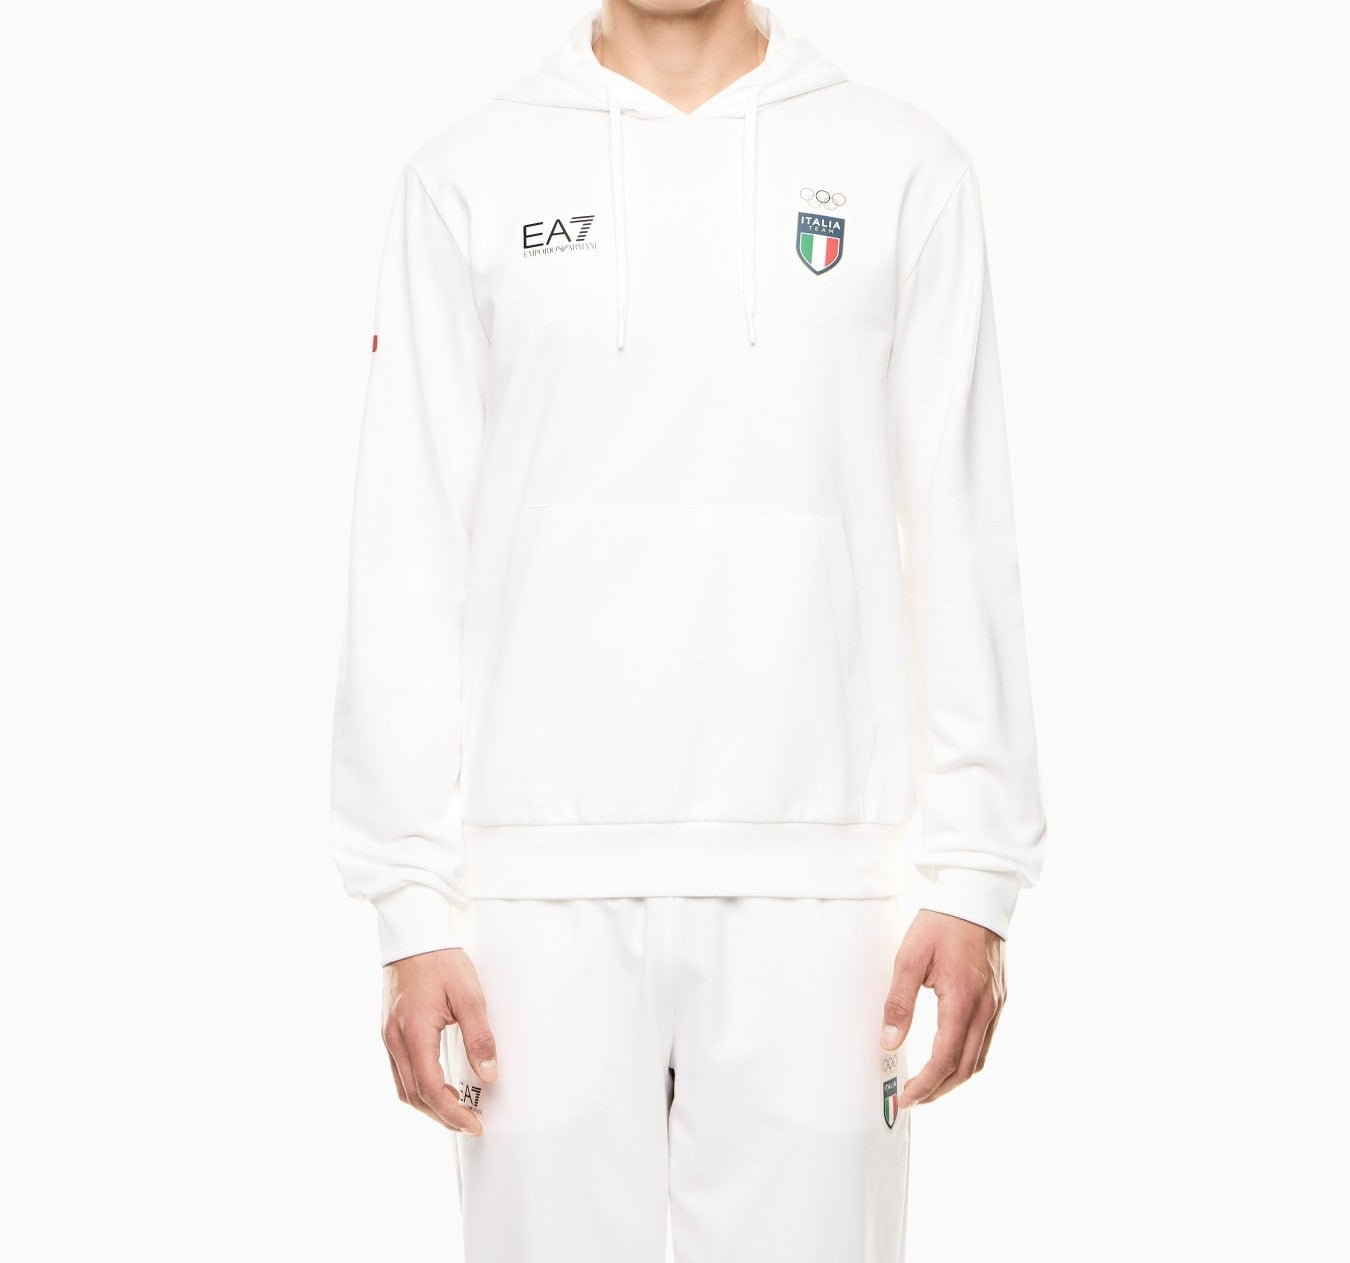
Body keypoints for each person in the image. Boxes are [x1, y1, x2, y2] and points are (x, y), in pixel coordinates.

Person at [331, 1, 1048, 1258]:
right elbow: (409, 541)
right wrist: (408, 902)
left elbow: (960, 523)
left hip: (828, 892)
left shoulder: (904, 169)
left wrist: (977, 873)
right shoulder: (466, 177)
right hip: (534, 891)